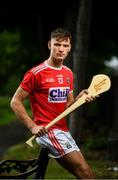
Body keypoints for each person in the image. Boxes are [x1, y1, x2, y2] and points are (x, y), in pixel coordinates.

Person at [10, 27, 95, 179]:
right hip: (49, 131)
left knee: (85, 174)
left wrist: (80, 99)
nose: (61, 49)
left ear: (69, 48)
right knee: (85, 173)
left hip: (63, 130)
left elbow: (67, 107)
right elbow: (15, 102)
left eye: (65, 45)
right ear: (50, 45)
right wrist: (32, 126)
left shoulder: (68, 73)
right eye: (57, 44)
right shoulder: (36, 73)